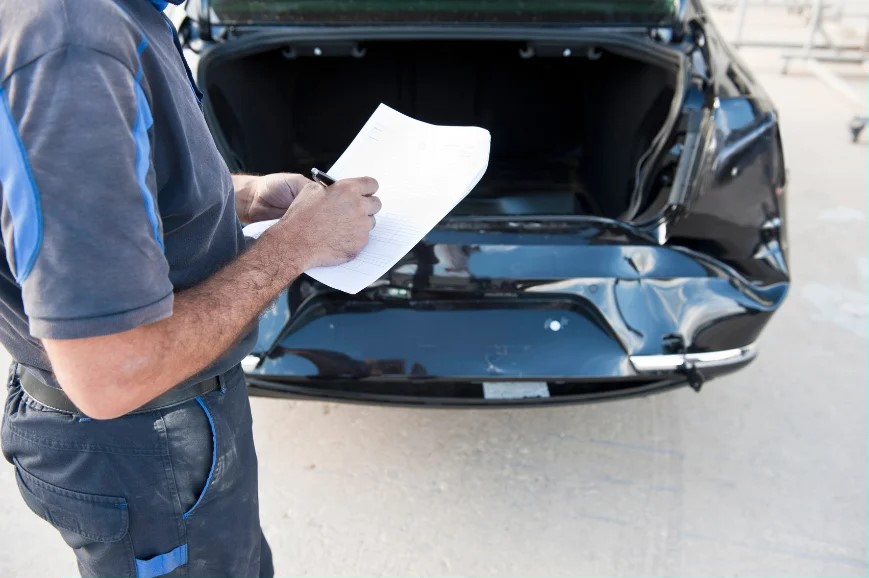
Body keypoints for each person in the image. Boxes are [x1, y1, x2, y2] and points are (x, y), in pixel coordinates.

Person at [0, 0, 381, 576]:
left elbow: (116, 175)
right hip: (142, 441)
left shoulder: (110, 17)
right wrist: (296, 244)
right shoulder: (72, 43)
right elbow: (109, 374)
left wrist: (240, 196)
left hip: (149, 423)